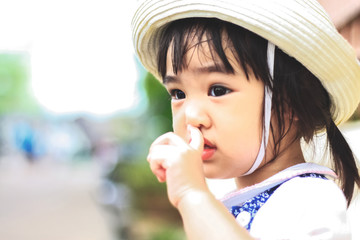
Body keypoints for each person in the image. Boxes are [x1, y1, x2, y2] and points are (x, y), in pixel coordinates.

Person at [131, 0, 360, 239]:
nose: (191, 116)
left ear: (290, 102)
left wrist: (191, 194)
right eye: (178, 94)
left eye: (217, 90)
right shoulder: (221, 201)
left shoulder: (311, 199)